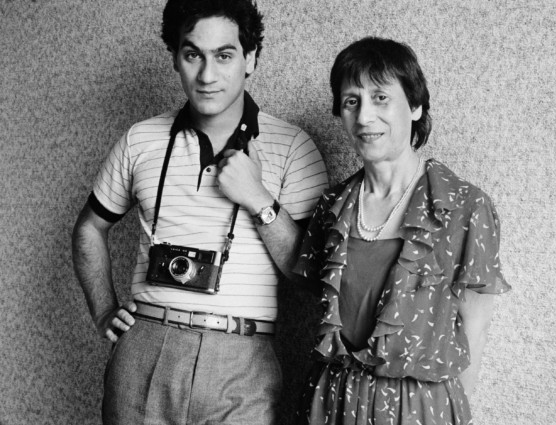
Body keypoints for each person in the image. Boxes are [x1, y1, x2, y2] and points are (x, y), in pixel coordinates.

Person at [71, 0, 328, 423]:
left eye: (224, 56)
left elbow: (310, 275)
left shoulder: (293, 146)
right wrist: (103, 310)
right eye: (193, 55)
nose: (207, 76)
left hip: (242, 356)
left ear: (250, 58)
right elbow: (89, 229)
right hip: (145, 344)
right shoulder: (141, 139)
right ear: (175, 57)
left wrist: (258, 199)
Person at [293, 37, 510, 424]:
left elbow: (474, 328)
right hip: (332, 402)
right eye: (351, 101)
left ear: (415, 105)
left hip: (419, 409)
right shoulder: (331, 207)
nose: (364, 117)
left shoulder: (464, 206)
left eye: (380, 98)